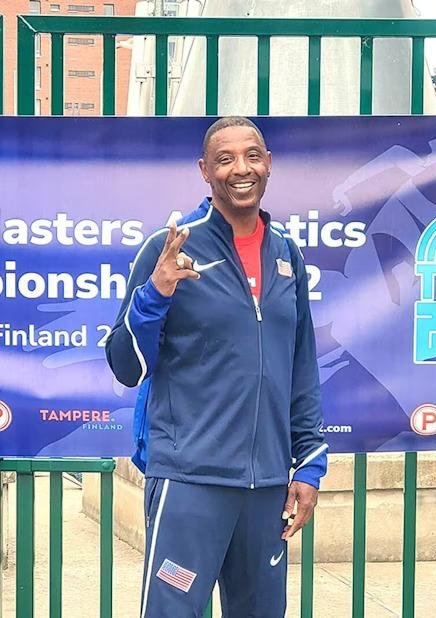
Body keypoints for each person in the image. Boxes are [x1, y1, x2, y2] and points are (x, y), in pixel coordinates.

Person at [106, 116, 327, 617]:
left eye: (252, 156)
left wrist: (308, 466)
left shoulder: (286, 254)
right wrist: (156, 293)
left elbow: (302, 368)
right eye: (225, 160)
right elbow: (124, 365)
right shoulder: (173, 249)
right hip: (191, 480)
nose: (240, 169)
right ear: (205, 171)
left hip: (267, 485)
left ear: (268, 163)